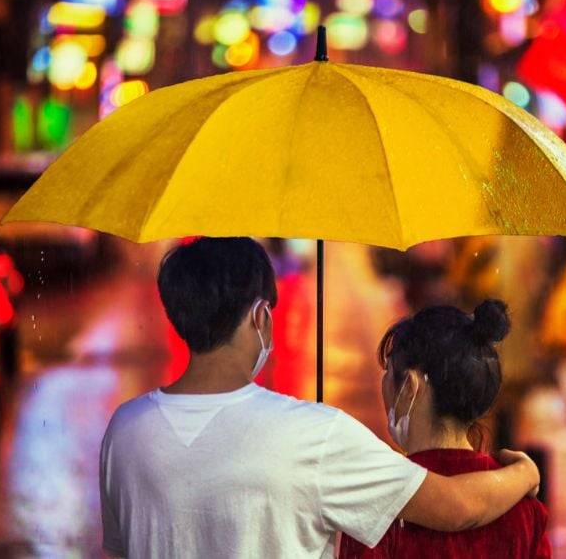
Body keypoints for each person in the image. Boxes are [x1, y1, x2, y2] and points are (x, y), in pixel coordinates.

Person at [100, 237, 540, 558]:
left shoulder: (124, 431)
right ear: (260, 317)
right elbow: (456, 506)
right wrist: (523, 475)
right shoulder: (315, 435)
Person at [339, 300, 552, 558]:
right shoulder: (524, 508)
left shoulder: (378, 507)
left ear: (409, 386)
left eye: (388, 372)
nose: (384, 384)